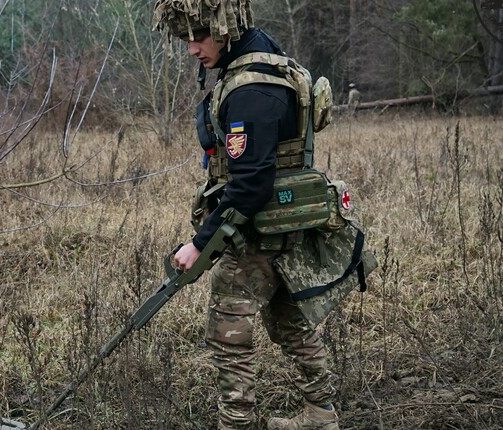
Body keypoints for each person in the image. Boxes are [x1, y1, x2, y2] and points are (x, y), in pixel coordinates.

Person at [153, 1, 341, 429]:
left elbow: (251, 183)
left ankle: (235, 423)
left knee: (228, 331)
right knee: (289, 319)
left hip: (258, 229)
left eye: (198, 38)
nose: (192, 50)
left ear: (223, 29)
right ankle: (321, 415)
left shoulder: (250, 90)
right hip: (284, 223)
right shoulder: (269, 57)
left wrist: (199, 244)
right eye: (186, 39)